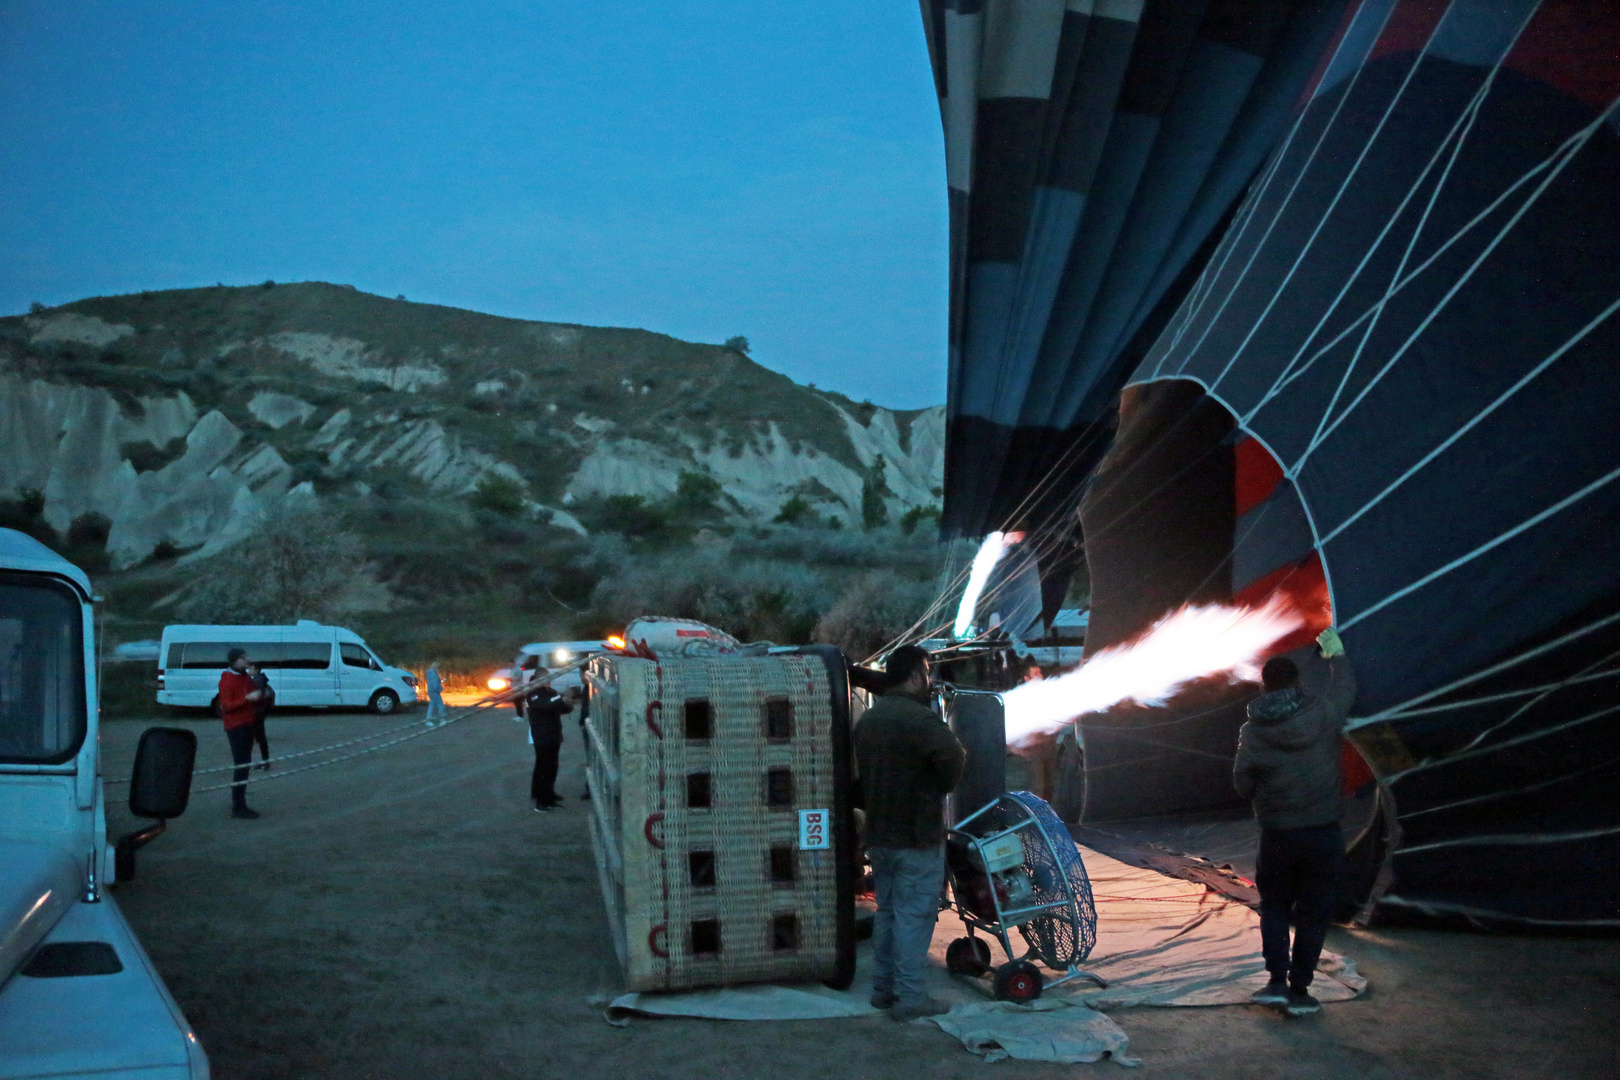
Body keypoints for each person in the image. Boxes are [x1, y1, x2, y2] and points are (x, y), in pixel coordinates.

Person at [1234, 626, 1357, 1017]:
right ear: (1298, 681)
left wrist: (1265, 789)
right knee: (1314, 911)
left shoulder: (1252, 732)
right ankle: (1300, 989)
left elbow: (1241, 785)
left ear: (1263, 686)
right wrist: (1335, 654)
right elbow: (1346, 689)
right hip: (1323, 832)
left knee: (1274, 906)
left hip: (1277, 835)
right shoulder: (1322, 712)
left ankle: (1274, 982)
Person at [853, 645, 965, 1020]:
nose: (929, 681)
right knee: (914, 918)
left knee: (887, 914)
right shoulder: (920, 719)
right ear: (917, 675)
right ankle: (911, 998)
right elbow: (954, 757)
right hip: (916, 837)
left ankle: (882, 992)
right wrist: (938, 785)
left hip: (880, 836)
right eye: (927, 673)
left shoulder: (869, 720)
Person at [218, 647, 267, 819]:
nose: (247, 659)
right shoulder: (227, 679)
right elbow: (226, 706)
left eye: (247, 656)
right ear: (234, 661)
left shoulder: (245, 676)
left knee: (244, 765)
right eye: (243, 657)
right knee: (241, 765)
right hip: (236, 727)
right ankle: (238, 807)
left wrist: (259, 695)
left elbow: (255, 696)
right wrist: (247, 699)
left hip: (248, 724)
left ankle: (240, 803)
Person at [525, 678, 573, 812]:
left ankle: (549, 795)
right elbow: (545, 706)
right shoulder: (532, 695)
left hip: (554, 734)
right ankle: (541, 801)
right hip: (541, 736)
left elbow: (564, 708)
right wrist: (561, 700)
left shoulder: (552, 693)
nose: (549, 683)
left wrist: (567, 700)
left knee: (552, 766)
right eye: (547, 680)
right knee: (543, 767)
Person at [246, 662, 274, 771]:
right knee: (259, 738)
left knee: (260, 738)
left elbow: (257, 697)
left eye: (251, 669)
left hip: (257, 712)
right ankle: (264, 762)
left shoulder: (258, 681)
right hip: (260, 712)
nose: (249, 671)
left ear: (256, 670)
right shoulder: (259, 679)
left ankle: (265, 762)